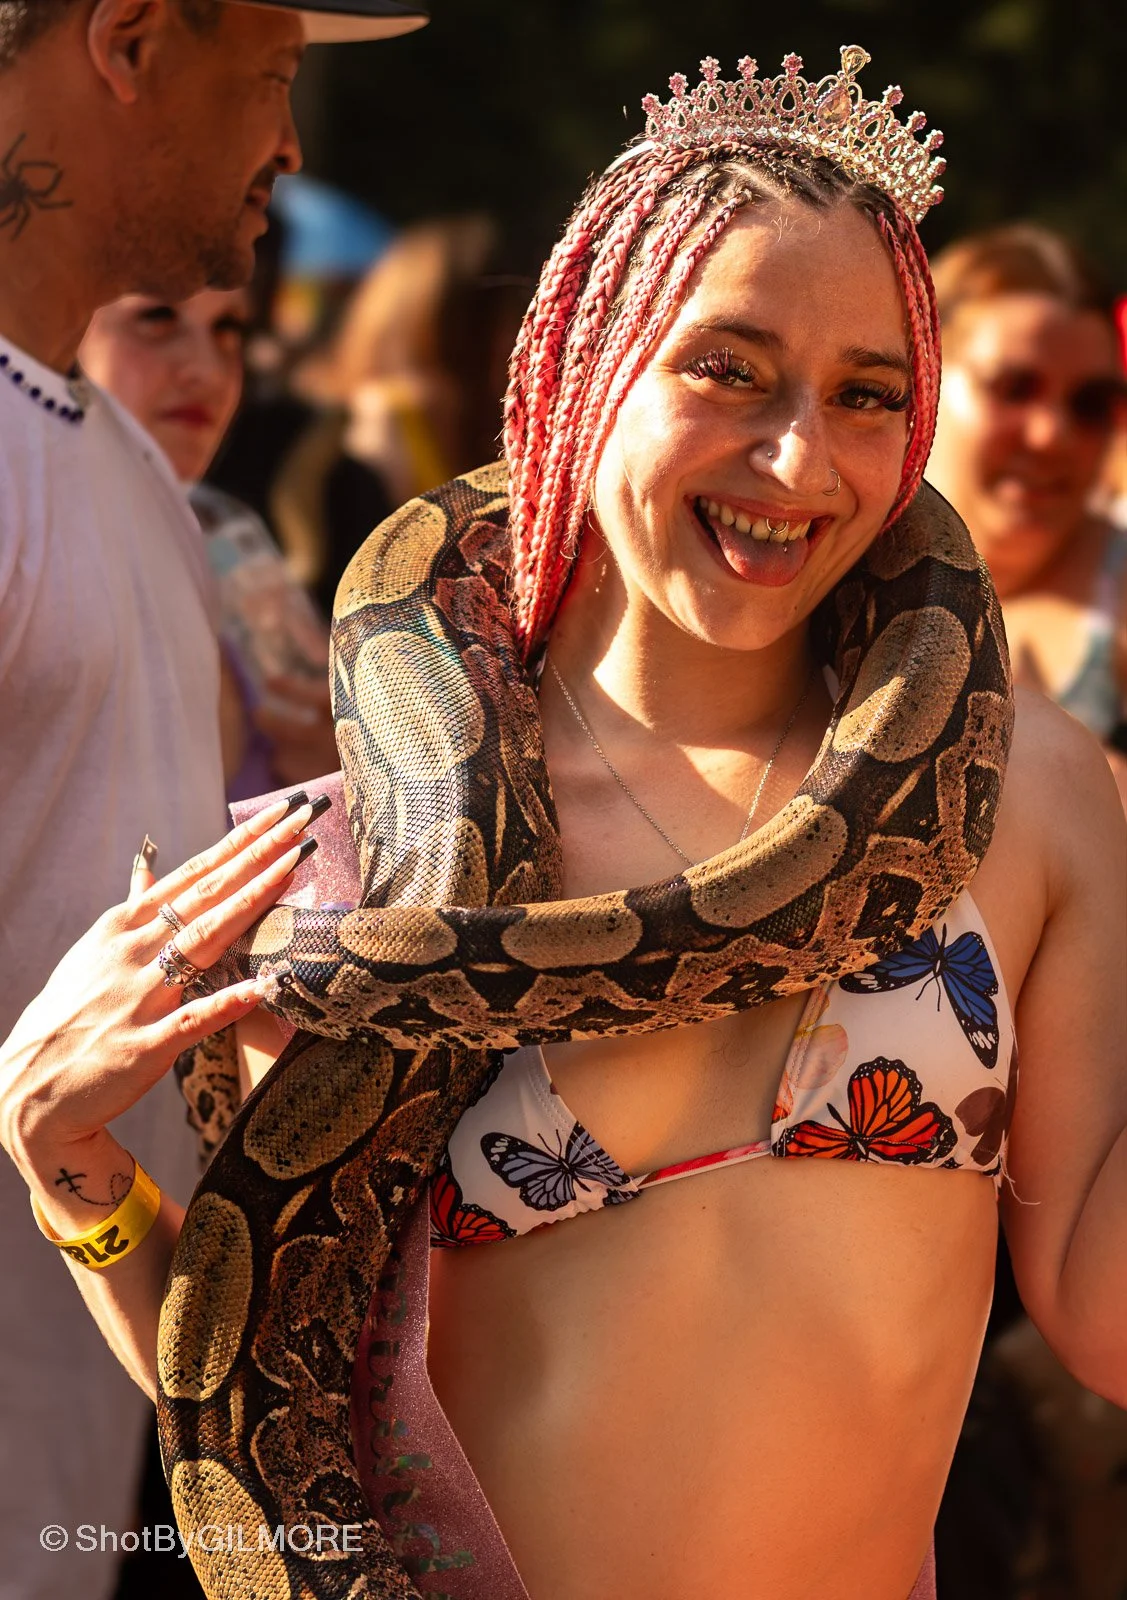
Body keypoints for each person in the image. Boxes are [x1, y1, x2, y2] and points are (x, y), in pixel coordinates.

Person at [2, 45, 1125, 1600]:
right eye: (723, 368)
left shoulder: (1033, 795)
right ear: (583, 374)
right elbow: (268, 1419)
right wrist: (76, 1178)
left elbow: (1101, 1305)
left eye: (868, 395)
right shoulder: (336, 884)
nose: (796, 458)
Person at [0, 1, 425, 1595]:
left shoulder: (125, 471)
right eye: (275, 74)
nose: (290, 145)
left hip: (122, 1437)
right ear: (127, 40)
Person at [79, 289, 338, 798]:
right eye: (157, 318)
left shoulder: (224, 535)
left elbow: (324, 775)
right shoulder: (26, 559)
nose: (210, 371)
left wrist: (335, 768)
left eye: (228, 328)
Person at [927, 224, 1127, 803]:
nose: (1051, 436)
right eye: (1014, 387)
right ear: (922, 375)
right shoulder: (812, 567)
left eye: (1090, 404)